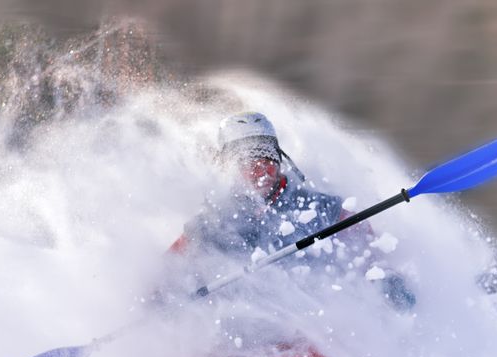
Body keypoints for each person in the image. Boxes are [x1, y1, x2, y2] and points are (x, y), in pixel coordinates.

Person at [164, 111, 415, 310]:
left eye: (268, 159)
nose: (261, 170)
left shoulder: (320, 209)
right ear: (229, 166)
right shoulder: (212, 222)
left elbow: (365, 246)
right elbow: (172, 265)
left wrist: (385, 278)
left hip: (307, 336)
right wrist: (162, 296)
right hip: (236, 341)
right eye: (248, 162)